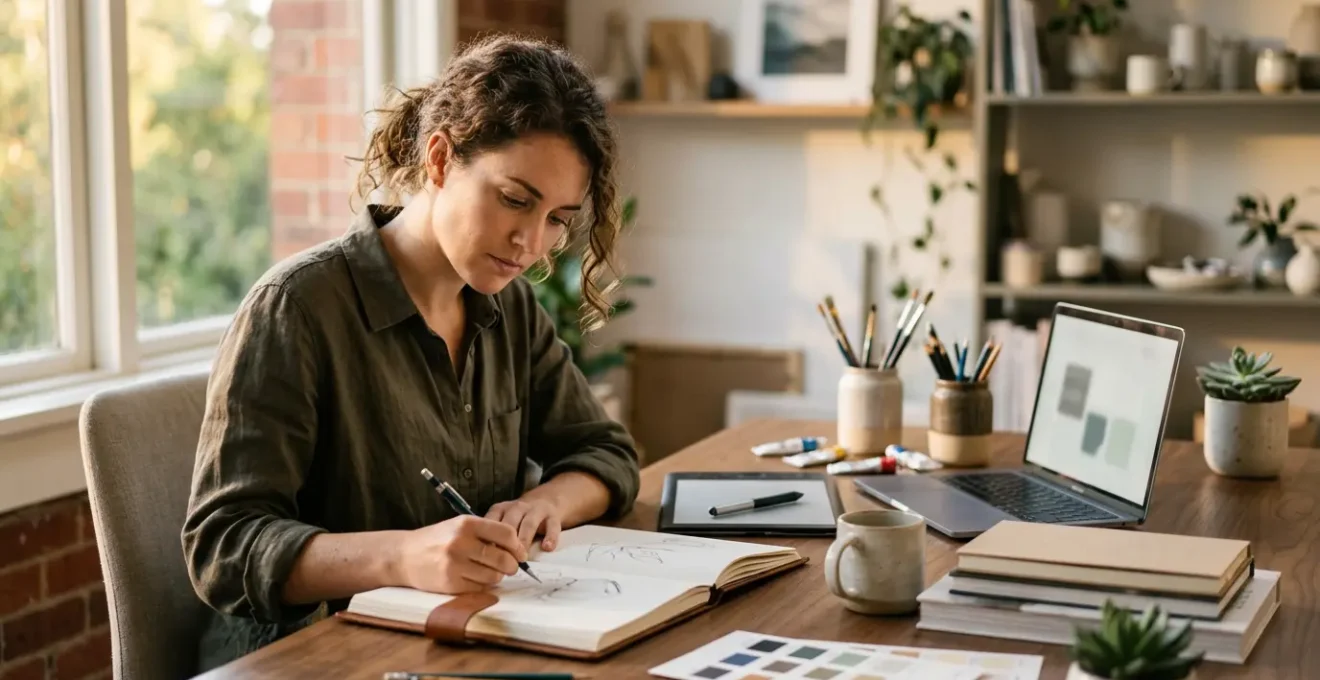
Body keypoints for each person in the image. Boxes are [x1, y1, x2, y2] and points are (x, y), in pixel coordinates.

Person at [180, 35, 641, 671]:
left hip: (455, 644)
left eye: (558, 219)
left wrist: (544, 504)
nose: (531, 243)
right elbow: (223, 546)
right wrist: (401, 557)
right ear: (440, 158)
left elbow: (607, 453)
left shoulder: (510, 308)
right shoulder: (296, 307)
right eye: (514, 199)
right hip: (307, 657)